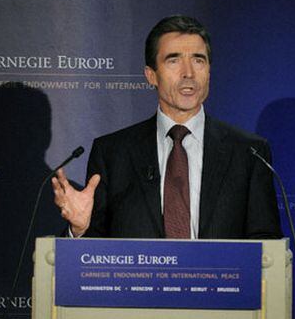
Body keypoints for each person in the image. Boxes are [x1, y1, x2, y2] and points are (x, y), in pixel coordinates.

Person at [52, 15, 282, 240]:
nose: (188, 73)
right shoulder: (112, 153)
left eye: (198, 60)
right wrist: (80, 229)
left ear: (209, 72)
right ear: (151, 75)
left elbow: (266, 245)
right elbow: (95, 258)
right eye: (174, 60)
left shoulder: (249, 153)